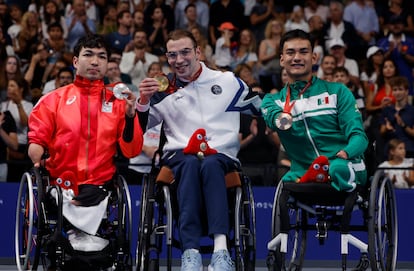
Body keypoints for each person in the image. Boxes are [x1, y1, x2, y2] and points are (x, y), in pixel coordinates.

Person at [136, 29, 263, 271]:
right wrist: (142, 101)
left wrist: (285, 107)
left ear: (198, 52)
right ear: (167, 58)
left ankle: (221, 251)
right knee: (191, 162)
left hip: (221, 156)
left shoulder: (226, 81)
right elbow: (137, 129)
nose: (179, 60)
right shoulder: (163, 91)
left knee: (211, 163)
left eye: (185, 52)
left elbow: (259, 104)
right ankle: (190, 253)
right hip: (180, 157)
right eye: (172, 55)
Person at [27, 34, 148, 261]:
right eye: (88, 55)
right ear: (75, 61)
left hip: (100, 186)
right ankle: (77, 240)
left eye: (102, 57)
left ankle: (85, 243)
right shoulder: (52, 100)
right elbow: (37, 141)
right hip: (60, 184)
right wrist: (37, 157)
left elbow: (131, 151)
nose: (95, 62)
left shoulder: (118, 102)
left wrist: (131, 117)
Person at [261, 28, 368, 192]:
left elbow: (359, 136)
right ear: (282, 60)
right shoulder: (273, 100)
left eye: (303, 52)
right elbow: (274, 118)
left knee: (337, 169)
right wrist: (283, 120)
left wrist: (346, 153)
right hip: (304, 172)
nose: (297, 57)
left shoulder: (338, 92)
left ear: (314, 57)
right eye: (290, 53)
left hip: (344, 163)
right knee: (285, 181)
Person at [1, 77, 32, 181]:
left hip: (21, 146)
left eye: (12, 86)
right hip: (5, 144)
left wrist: (18, 103)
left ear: (21, 89)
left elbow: (25, 123)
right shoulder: (3, 105)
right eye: (8, 86)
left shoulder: (28, 105)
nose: (9, 89)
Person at [379, 76, 414, 160]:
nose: (397, 92)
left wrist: (403, 125)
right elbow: (382, 131)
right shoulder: (387, 110)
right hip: (390, 151)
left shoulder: (412, 111)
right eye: (395, 90)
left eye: (400, 89)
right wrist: (387, 128)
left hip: (409, 150)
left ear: (406, 91)